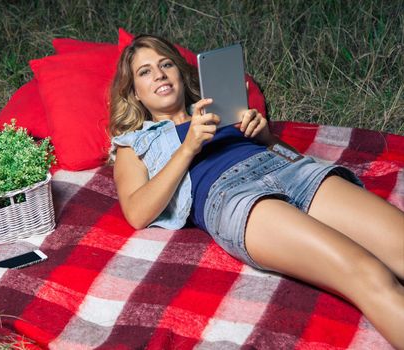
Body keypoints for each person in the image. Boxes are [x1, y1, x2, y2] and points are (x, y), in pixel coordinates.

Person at [108, 34, 404, 348]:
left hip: (287, 169)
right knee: (368, 274)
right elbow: (137, 213)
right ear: (135, 93)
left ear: (180, 73)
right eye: (145, 71)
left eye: (166, 64)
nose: (159, 74)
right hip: (234, 196)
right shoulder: (135, 143)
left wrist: (265, 137)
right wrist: (188, 147)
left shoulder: (218, 107)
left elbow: (293, 158)